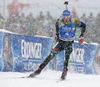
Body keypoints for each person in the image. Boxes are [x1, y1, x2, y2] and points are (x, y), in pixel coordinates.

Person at [28, 9, 86, 80]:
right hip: (61, 42)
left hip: (69, 43)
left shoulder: (74, 21)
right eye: (64, 16)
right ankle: (38, 70)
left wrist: (81, 36)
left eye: (67, 16)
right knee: (51, 55)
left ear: (69, 16)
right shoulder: (59, 21)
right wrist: (57, 36)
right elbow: (57, 30)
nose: (65, 18)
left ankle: (64, 73)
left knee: (67, 58)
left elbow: (84, 25)